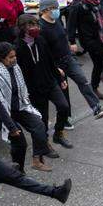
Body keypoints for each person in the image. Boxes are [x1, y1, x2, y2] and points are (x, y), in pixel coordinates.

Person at [0, 42, 56, 173]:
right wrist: (11, 126)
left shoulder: (15, 67)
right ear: (1, 58)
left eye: (14, 56)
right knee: (20, 142)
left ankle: (36, 160)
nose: (14, 59)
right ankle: (18, 170)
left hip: (19, 107)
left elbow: (21, 90)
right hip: (3, 113)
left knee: (39, 125)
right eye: (10, 57)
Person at [15, 10, 71, 152]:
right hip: (34, 89)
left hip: (50, 82)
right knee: (43, 119)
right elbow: (19, 73)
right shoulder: (18, 48)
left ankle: (58, 133)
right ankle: (44, 143)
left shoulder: (40, 40)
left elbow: (50, 61)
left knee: (64, 107)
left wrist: (60, 78)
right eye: (30, 26)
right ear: (22, 28)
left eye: (35, 24)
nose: (34, 28)